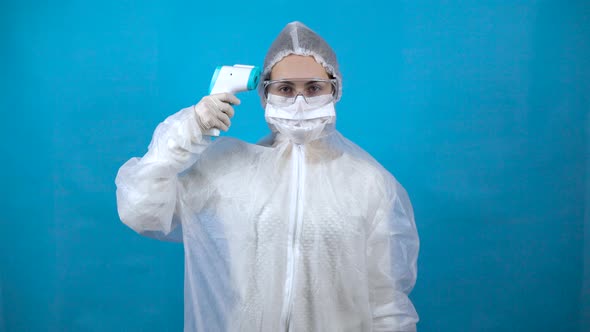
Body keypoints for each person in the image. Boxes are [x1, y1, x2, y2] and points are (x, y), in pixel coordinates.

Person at [116, 21, 419, 332]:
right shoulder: (230, 171)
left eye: (313, 88)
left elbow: (386, 302)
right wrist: (189, 129)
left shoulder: (368, 183)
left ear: (335, 89)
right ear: (265, 94)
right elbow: (140, 210)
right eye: (285, 89)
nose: (299, 102)